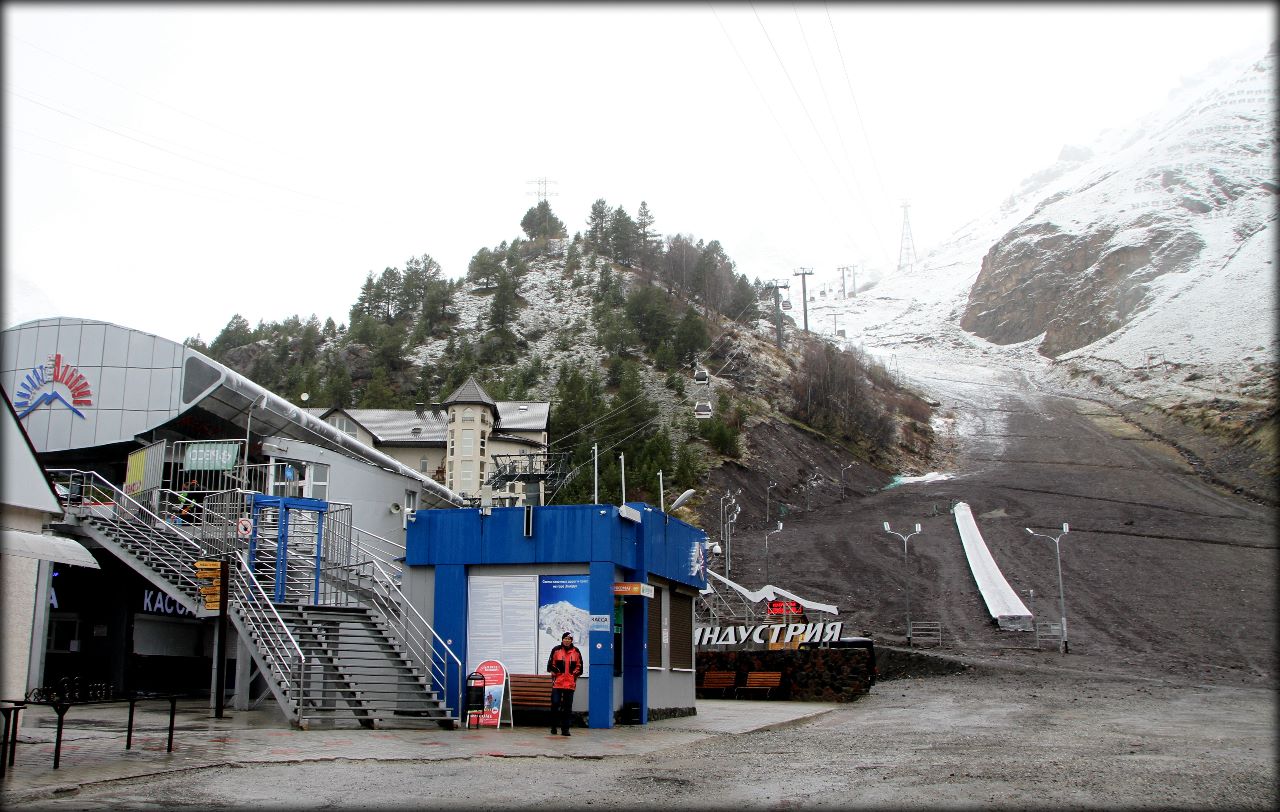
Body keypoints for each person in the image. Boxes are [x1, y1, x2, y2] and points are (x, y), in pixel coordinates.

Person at [545, 631, 583, 736]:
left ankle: (565, 729)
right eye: (565, 638)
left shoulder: (576, 651)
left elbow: (579, 667)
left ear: (571, 641)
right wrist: (557, 672)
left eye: (569, 639)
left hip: (570, 684)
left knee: (567, 707)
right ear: (562, 639)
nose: (567, 640)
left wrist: (573, 675)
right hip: (557, 683)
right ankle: (553, 727)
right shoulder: (556, 650)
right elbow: (550, 665)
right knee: (555, 704)